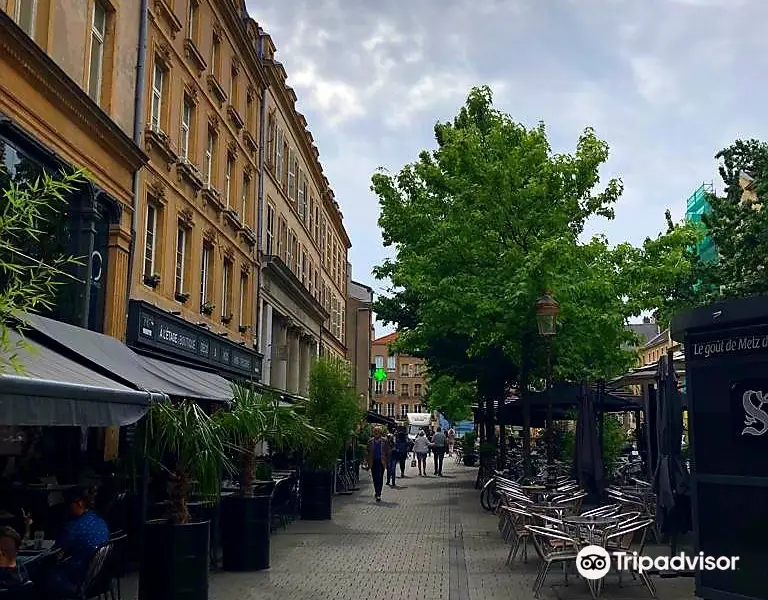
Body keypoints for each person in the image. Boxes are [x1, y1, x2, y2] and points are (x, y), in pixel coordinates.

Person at [43, 486, 109, 595]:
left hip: (78, 579)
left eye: (69, 504)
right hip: (100, 576)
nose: (67, 508)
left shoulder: (73, 528)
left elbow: (54, 554)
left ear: (80, 503)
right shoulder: (99, 520)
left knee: (43, 575)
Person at [364, 427, 390, 501]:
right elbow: (367, 452)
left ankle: (378, 493)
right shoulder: (370, 441)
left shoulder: (384, 441)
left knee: (380, 477)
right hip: (373, 462)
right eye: (375, 431)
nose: (376, 433)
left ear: (380, 433)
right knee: (374, 478)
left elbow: (388, 452)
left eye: (377, 431)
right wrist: (365, 461)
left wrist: (388, 462)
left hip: (381, 462)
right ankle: (376, 491)